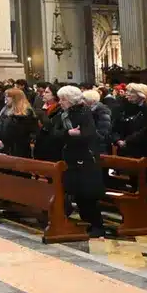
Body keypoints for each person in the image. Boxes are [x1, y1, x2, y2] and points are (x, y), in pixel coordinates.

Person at [52, 85, 107, 237]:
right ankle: (85, 223)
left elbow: (87, 135)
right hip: (70, 158)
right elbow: (54, 132)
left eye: (63, 99)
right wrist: (68, 133)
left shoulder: (84, 113)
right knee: (76, 193)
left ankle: (97, 226)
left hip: (86, 159)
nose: (60, 102)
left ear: (71, 100)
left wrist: (68, 135)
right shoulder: (63, 114)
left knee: (87, 195)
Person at [0, 87, 38, 158]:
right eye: (5, 96)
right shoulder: (5, 110)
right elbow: (2, 129)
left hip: (19, 150)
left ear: (16, 98)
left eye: (8, 96)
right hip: (5, 148)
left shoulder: (26, 113)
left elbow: (26, 133)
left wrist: (7, 142)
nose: (5, 98)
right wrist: (0, 140)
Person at [114, 83, 147, 157]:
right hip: (122, 148)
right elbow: (116, 126)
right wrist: (117, 140)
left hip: (140, 150)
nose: (127, 94)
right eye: (127, 91)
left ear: (141, 94)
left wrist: (127, 141)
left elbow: (146, 129)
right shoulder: (123, 106)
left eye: (131, 92)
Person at [81, 89, 113, 156]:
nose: (82, 101)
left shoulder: (103, 112)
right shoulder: (86, 110)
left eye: (84, 99)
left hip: (99, 148)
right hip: (89, 146)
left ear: (92, 101)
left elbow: (102, 133)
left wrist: (85, 132)